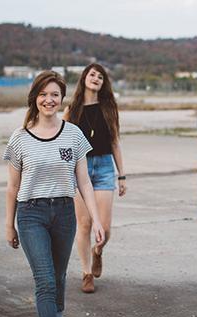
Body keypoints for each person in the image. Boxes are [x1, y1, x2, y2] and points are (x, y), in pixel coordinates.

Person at [4, 71, 105, 317]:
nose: (49, 100)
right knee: (45, 279)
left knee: (58, 276)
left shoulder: (73, 134)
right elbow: (12, 186)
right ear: (34, 98)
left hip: (63, 212)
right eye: (43, 94)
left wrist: (96, 219)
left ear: (62, 99)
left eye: (55, 95)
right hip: (30, 214)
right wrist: (9, 224)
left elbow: (84, 182)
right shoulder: (20, 138)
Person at [64, 63, 127, 294]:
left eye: (100, 76)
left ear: (103, 83)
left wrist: (122, 175)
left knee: (105, 227)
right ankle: (86, 273)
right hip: (79, 169)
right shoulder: (72, 110)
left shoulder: (109, 108)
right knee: (84, 224)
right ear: (84, 78)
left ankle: (97, 251)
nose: (96, 78)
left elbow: (115, 143)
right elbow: (64, 143)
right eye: (92, 74)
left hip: (104, 169)